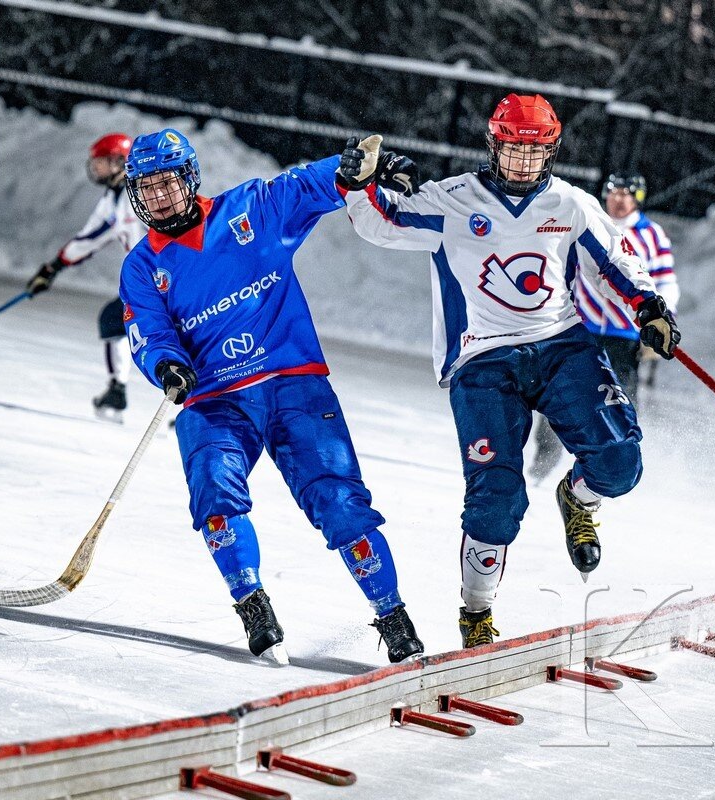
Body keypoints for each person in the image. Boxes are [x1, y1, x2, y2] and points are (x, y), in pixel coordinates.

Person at [335, 94, 680, 648]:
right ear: (494, 146)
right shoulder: (453, 201)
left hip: (559, 344)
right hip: (482, 360)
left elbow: (615, 258)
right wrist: (357, 183)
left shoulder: (569, 204)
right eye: (513, 150)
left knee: (620, 462)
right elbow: (382, 221)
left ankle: (578, 498)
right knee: (497, 500)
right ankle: (477, 613)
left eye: (536, 151)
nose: (523, 162)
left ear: (552, 153)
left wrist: (648, 306)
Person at [118, 128, 424, 665]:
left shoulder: (249, 210)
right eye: (149, 187)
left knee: (341, 503)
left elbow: (309, 184)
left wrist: (353, 168)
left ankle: (393, 617)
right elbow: (148, 331)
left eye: (169, 181)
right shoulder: (142, 267)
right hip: (214, 399)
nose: (161, 195)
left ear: (190, 179)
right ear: (136, 195)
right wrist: (165, 364)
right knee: (214, 494)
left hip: (294, 382)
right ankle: (254, 607)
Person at [528, 172, 681, 482]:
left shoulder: (651, 234)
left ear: (638, 199)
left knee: (619, 400)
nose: (619, 199)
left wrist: (661, 321)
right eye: (614, 192)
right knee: (558, 392)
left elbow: (665, 282)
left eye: (627, 194)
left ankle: (612, 471)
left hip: (623, 335)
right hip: (579, 327)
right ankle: (542, 466)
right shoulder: (589, 221)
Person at [25, 133, 147, 419]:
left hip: (168, 280)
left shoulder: (140, 191)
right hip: (150, 284)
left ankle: (200, 401)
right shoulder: (113, 198)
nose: (95, 168)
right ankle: (117, 390)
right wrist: (52, 268)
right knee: (114, 320)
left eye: (101, 162)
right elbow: (90, 237)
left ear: (119, 162)